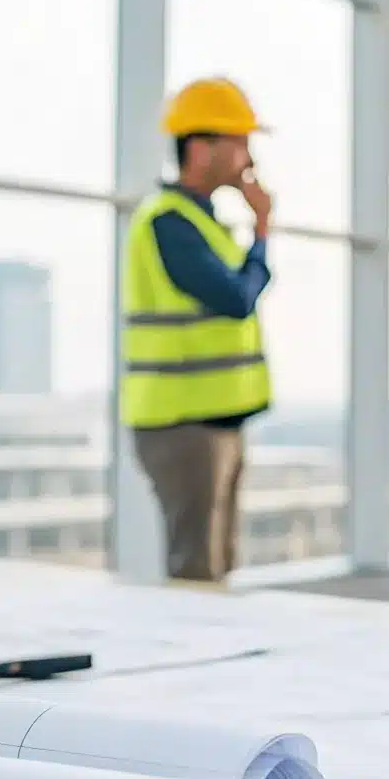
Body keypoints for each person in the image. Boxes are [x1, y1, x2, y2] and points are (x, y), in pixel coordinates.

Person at [120, 77, 276, 582]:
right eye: (239, 142)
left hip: (213, 420)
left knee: (215, 568)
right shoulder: (169, 223)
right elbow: (235, 298)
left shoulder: (202, 222)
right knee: (195, 572)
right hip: (182, 424)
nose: (248, 158)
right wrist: (262, 230)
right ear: (201, 147)